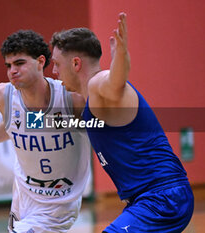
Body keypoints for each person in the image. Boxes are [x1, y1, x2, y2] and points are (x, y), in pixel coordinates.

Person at [50, 13, 194, 232]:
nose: (54, 71)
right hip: (148, 200)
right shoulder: (90, 105)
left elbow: (116, 82)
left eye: (57, 64)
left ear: (76, 63)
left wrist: (122, 58)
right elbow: (55, 122)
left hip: (162, 197)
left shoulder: (99, 84)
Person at [0, 30, 91, 233]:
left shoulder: (72, 100)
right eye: (9, 65)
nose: (12, 70)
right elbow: (18, 125)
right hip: (24, 200)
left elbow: (103, 130)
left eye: (19, 63)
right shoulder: (2, 96)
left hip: (59, 204)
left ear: (40, 62)